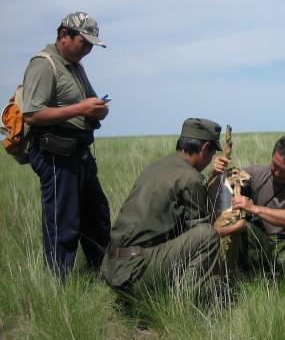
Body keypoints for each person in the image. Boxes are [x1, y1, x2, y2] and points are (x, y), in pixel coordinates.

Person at [101, 118, 245, 299]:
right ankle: (187, 300)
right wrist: (237, 227)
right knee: (207, 236)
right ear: (204, 148)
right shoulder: (191, 178)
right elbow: (203, 231)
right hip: (136, 272)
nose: (210, 160)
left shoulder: (158, 166)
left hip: (112, 267)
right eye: (211, 154)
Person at [22, 12, 111, 277]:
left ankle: (103, 273)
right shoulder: (44, 64)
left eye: (90, 46)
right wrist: (80, 108)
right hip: (56, 153)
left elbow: (93, 102)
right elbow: (32, 114)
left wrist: (97, 110)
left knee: (97, 215)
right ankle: (57, 286)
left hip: (79, 154)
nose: (87, 50)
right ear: (64, 35)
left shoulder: (76, 67)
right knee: (64, 222)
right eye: (83, 43)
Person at [217, 135, 285, 280]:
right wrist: (218, 172)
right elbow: (223, 184)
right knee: (239, 227)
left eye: (284, 171)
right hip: (263, 238)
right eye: (274, 165)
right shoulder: (257, 173)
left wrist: (253, 208)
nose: (276, 173)